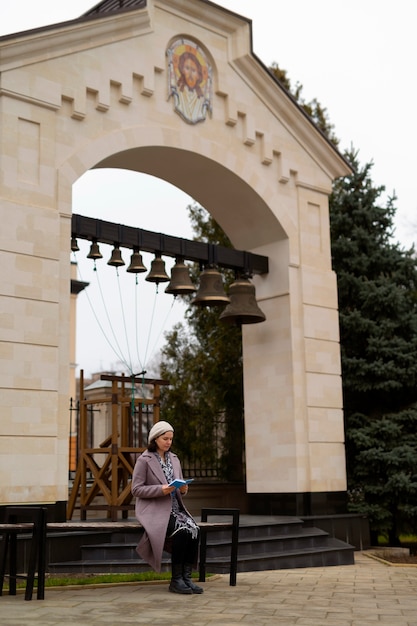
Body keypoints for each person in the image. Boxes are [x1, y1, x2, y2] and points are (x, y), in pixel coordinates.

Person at [131, 420, 203, 594]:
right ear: (155, 439)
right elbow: (136, 489)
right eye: (165, 438)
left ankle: (186, 578)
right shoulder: (144, 460)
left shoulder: (174, 459)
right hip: (154, 510)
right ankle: (176, 580)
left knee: (195, 530)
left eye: (171, 439)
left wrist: (184, 489)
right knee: (183, 531)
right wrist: (161, 489)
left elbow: (178, 485)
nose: (169, 442)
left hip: (175, 508)